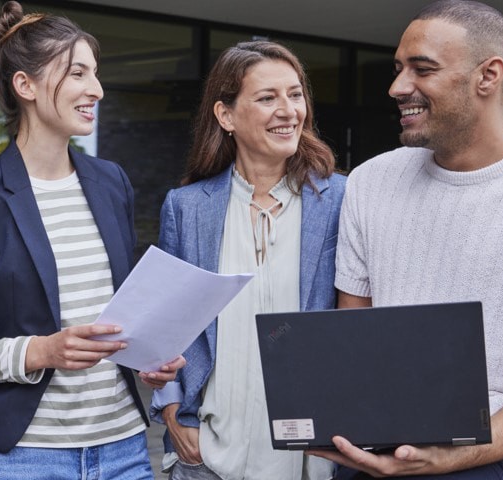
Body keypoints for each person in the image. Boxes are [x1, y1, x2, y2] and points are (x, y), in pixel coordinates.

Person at [316, 1, 503, 479]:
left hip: (492, 449)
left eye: (423, 69)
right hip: (380, 434)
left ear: (488, 75)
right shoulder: (370, 182)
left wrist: (446, 456)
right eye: (398, 69)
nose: (397, 87)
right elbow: (355, 340)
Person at [0, 2, 184, 478]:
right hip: (21, 457)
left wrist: (151, 354)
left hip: (124, 448)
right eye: (78, 74)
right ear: (25, 85)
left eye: (96, 73)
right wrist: (41, 352)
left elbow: (117, 312)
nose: (97, 89)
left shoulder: (112, 182)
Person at [148, 40, 345, 480]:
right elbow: (167, 323)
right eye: (267, 97)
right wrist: (173, 413)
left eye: (295, 95)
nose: (288, 110)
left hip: (312, 460)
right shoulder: (186, 207)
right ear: (226, 115)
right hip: (209, 457)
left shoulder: (342, 201)